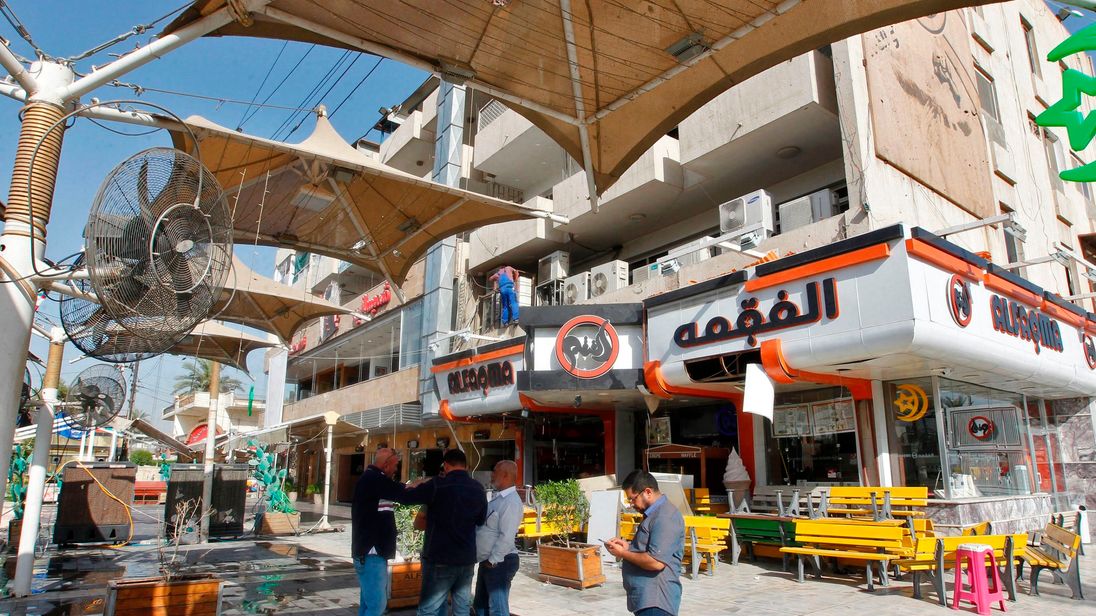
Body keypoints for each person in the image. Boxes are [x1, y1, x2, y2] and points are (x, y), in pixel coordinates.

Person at [401, 448, 488, 616]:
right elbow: (480, 520)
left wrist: (416, 485)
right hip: (466, 558)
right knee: (462, 609)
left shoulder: (436, 485)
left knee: (429, 610)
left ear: (446, 466)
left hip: (440, 557)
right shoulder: (478, 488)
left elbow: (407, 498)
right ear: (466, 466)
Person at [604, 470, 685, 616]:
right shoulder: (653, 514)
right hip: (646, 599)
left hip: (656, 601)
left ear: (647, 492)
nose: (631, 504)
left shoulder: (665, 516)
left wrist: (623, 553)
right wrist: (628, 547)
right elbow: (650, 548)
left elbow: (655, 562)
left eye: (632, 499)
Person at [351, 448, 406, 616]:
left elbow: (395, 490)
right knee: (377, 606)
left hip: (369, 554)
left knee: (368, 605)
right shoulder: (374, 479)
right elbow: (402, 494)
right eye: (395, 465)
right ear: (386, 464)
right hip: (372, 554)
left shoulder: (373, 479)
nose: (396, 469)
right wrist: (419, 487)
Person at [473, 460, 523, 616]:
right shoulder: (498, 499)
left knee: (497, 609)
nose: (492, 475)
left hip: (499, 562)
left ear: (505, 475)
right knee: (481, 606)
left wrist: (493, 560)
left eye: (495, 471)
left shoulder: (511, 502)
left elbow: (506, 537)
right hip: (488, 560)